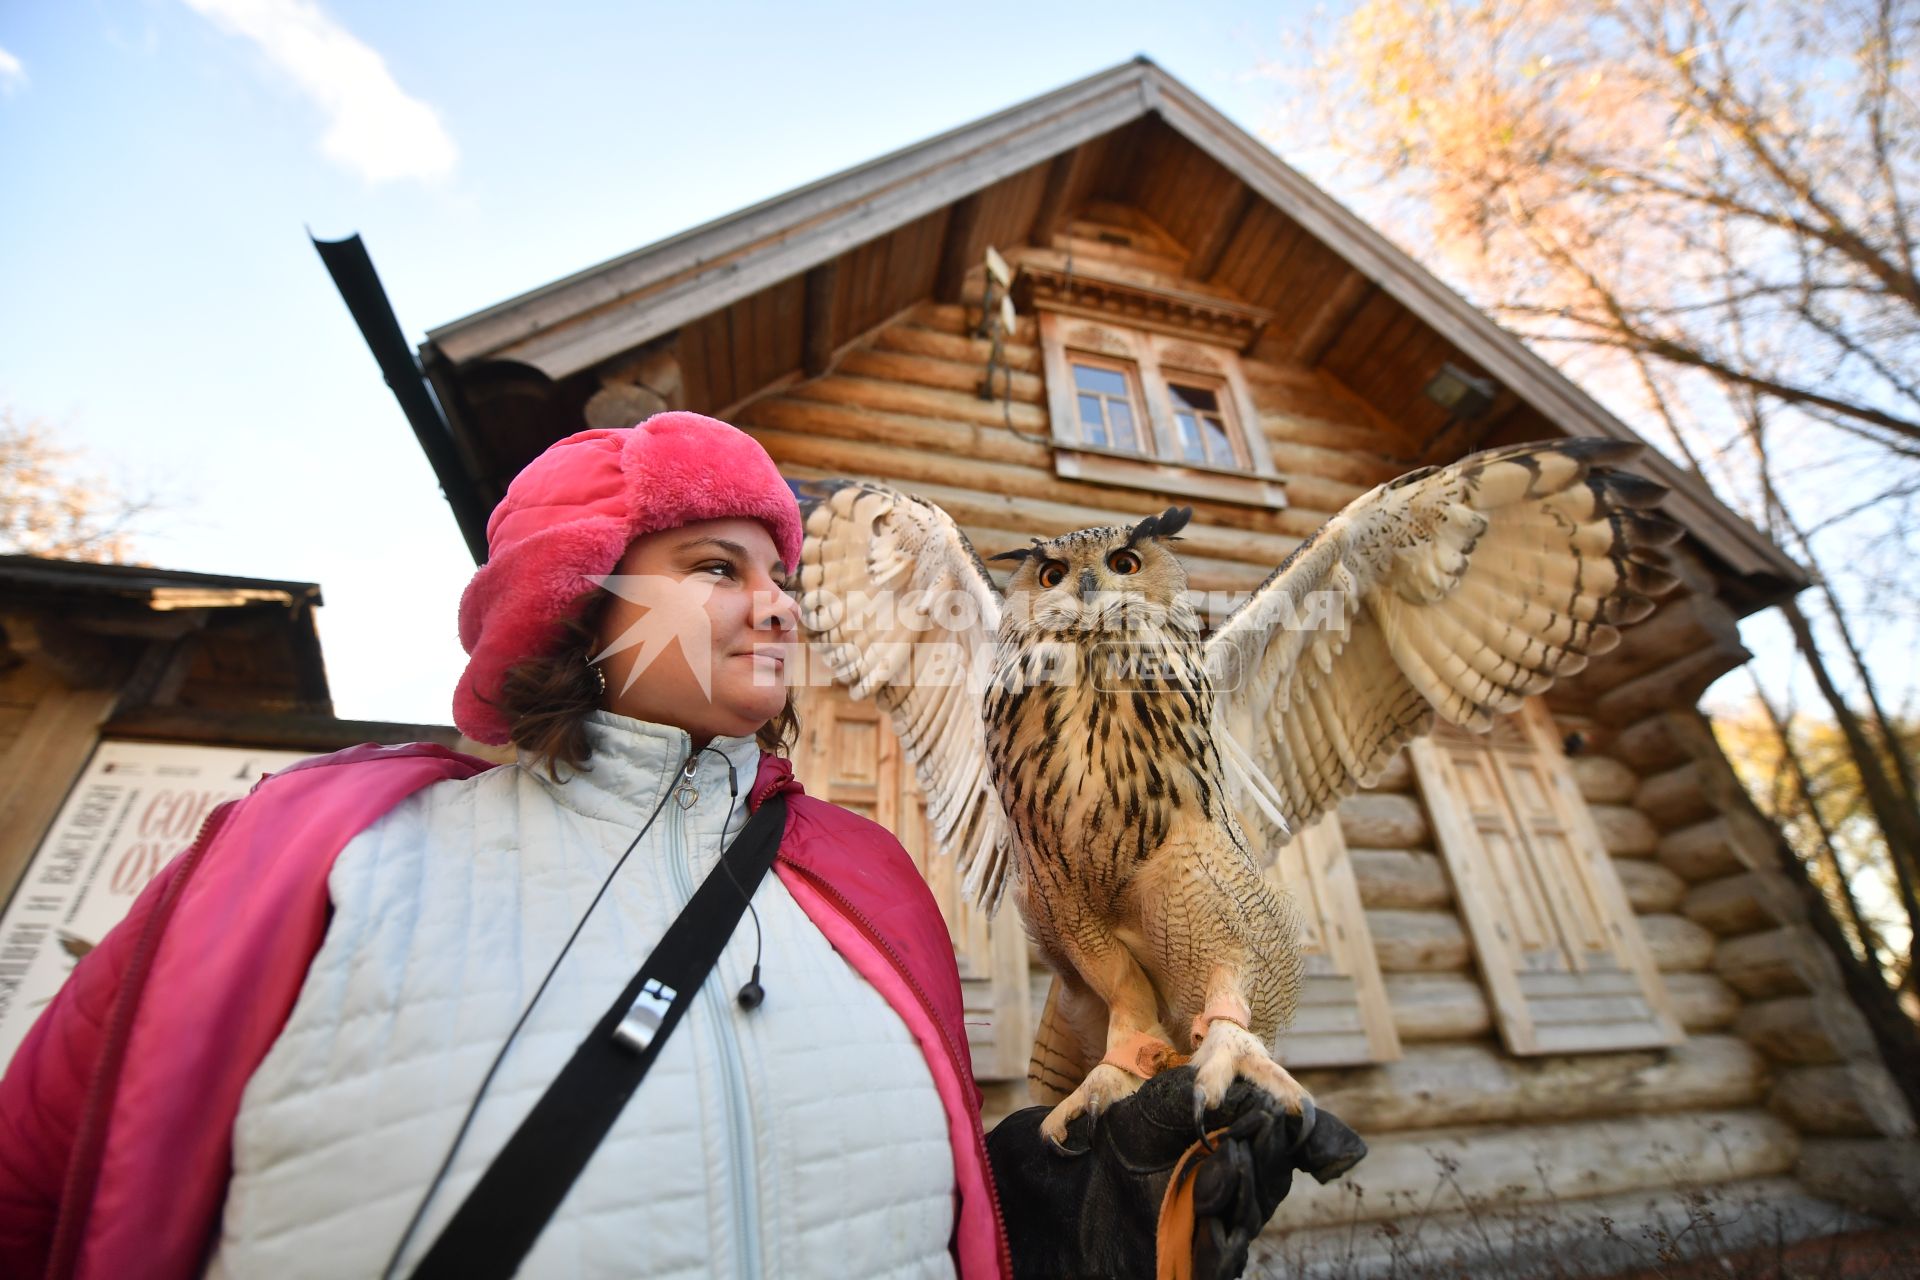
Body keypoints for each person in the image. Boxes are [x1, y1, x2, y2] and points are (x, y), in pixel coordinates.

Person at [0, 412, 1358, 1280]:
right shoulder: (310, 855)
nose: (774, 608)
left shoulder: (865, 892)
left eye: (778, 576)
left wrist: (1069, 1233)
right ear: (576, 599)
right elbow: (31, 1187)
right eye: (714, 569)